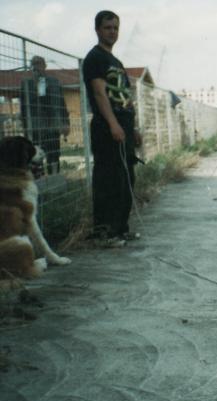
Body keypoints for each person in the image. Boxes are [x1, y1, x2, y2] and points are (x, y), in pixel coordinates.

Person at [82, 10, 142, 245]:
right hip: (107, 128)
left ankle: (120, 228)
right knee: (108, 180)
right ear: (97, 29)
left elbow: (124, 96)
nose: (113, 32)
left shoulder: (116, 62)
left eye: (116, 28)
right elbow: (99, 94)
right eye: (108, 27)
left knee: (125, 179)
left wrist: (132, 127)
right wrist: (113, 124)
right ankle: (104, 232)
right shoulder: (95, 58)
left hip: (124, 127)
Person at [20, 55, 71, 175]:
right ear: (31, 67)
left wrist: (66, 123)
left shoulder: (54, 82)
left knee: (53, 154)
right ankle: (40, 181)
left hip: (53, 126)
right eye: (34, 64)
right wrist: (25, 126)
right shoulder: (26, 84)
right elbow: (23, 107)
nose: (37, 67)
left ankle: (55, 178)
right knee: (36, 156)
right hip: (35, 127)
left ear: (44, 66)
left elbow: (61, 104)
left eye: (39, 64)